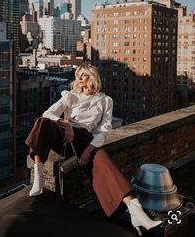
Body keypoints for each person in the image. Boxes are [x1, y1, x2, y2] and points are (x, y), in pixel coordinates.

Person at [25, 64, 162, 235]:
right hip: (66, 137)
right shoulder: (70, 97)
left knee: (102, 158)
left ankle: (136, 210)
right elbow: (48, 113)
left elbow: (104, 130)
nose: (80, 79)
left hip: (85, 140)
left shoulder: (105, 101)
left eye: (83, 75)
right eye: (78, 76)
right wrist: (64, 123)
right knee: (42, 122)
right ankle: (39, 176)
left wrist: (89, 149)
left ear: (92, 77)